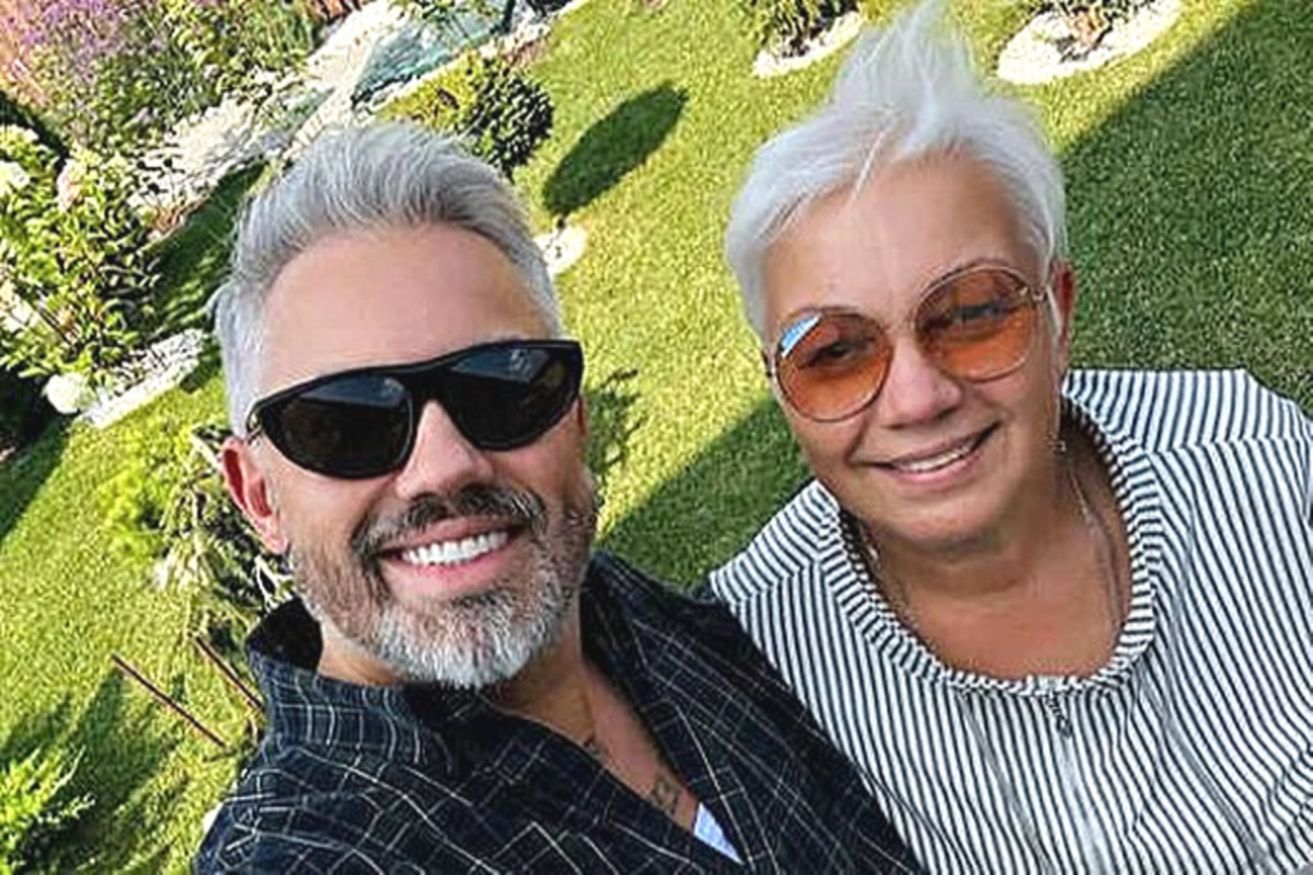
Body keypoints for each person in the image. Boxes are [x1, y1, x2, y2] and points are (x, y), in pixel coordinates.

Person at [196, 122, 921, 873]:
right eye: (347, 422)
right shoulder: (305, 856)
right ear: (259, 497)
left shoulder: (628, 612)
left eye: (502, 385)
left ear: (574, 416)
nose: (444, 466)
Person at [708, 2, 1313, 873]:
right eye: (834, 353)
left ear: (1057, 314)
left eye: (970, 314)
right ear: (778, 386)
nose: (917, 397)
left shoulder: (1253, 463)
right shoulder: (756, 651)